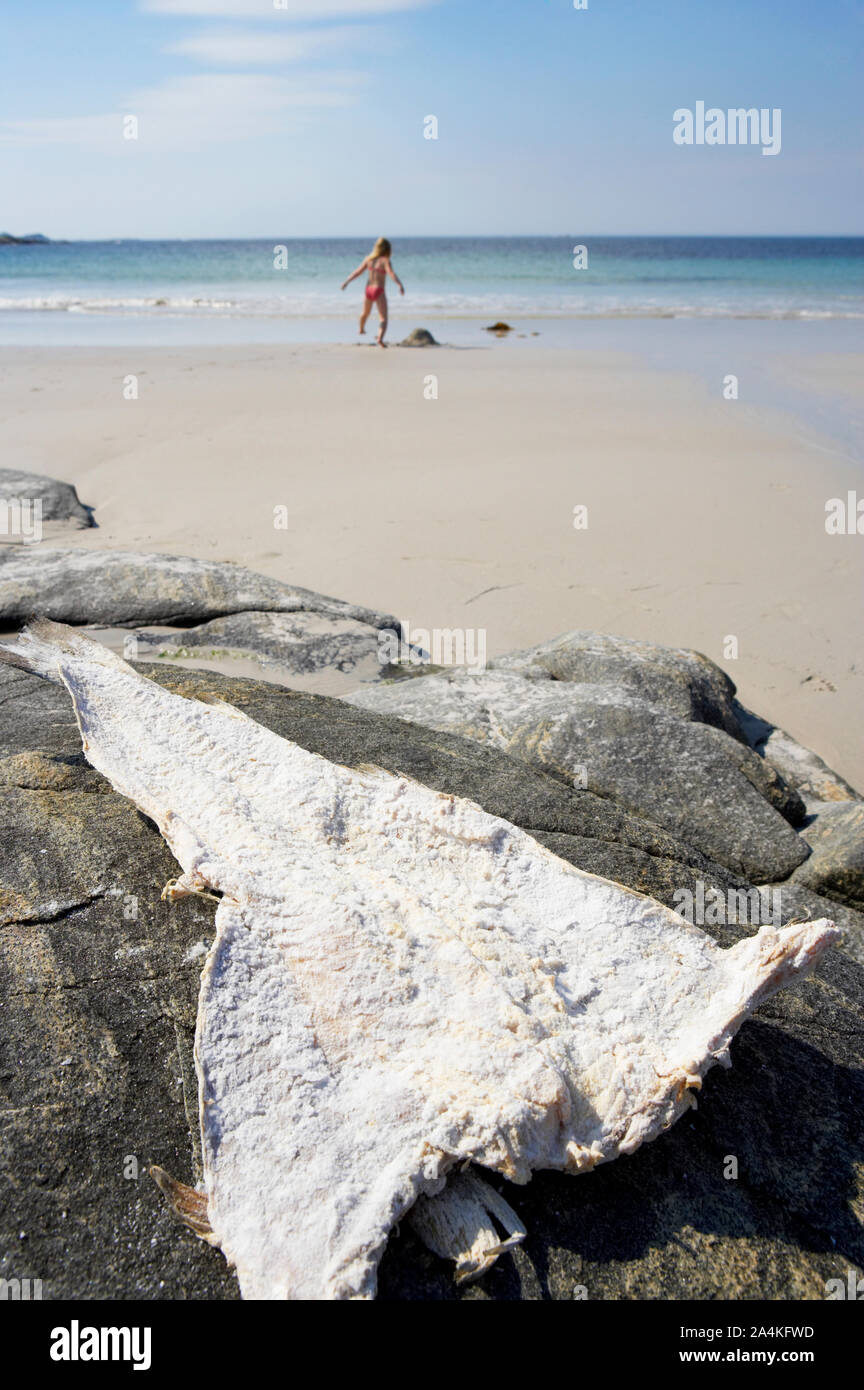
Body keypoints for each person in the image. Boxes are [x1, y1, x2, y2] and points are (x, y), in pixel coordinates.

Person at [340, 237, 404, 347]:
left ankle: (361, 329)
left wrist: (346, 282)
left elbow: (357, 272)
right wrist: (399, 284)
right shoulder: (385, 261)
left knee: (365, 313)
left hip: (368, 290)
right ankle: (380, 338)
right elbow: (391, 273)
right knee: (383, 318)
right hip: (379, 290)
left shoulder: (368, 259)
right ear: (387, 249)